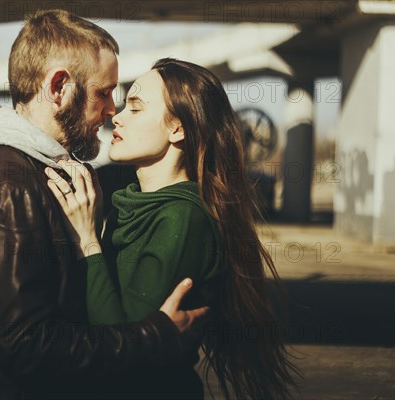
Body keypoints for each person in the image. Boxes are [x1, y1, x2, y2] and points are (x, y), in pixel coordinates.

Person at [0, 10, 209, 400]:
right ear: (59, 86)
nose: (112, 110)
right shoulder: (4, 184)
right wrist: (156, 335)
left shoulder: (42, 174)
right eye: (103, 92)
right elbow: (25, 346)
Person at [46, 58, 301, 399]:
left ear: (177, 129)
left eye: (135, 109)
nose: (116, 117)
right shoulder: (129, 202)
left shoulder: (183, 217)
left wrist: (88, 241)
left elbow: (121, 348)